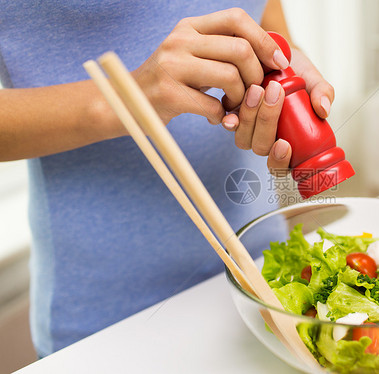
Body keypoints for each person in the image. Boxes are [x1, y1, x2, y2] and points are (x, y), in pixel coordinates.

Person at [0, 0, 334, 357]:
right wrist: (126, 99)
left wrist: (282, 61)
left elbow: (264, 18)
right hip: (113, 320)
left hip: (263, 280)